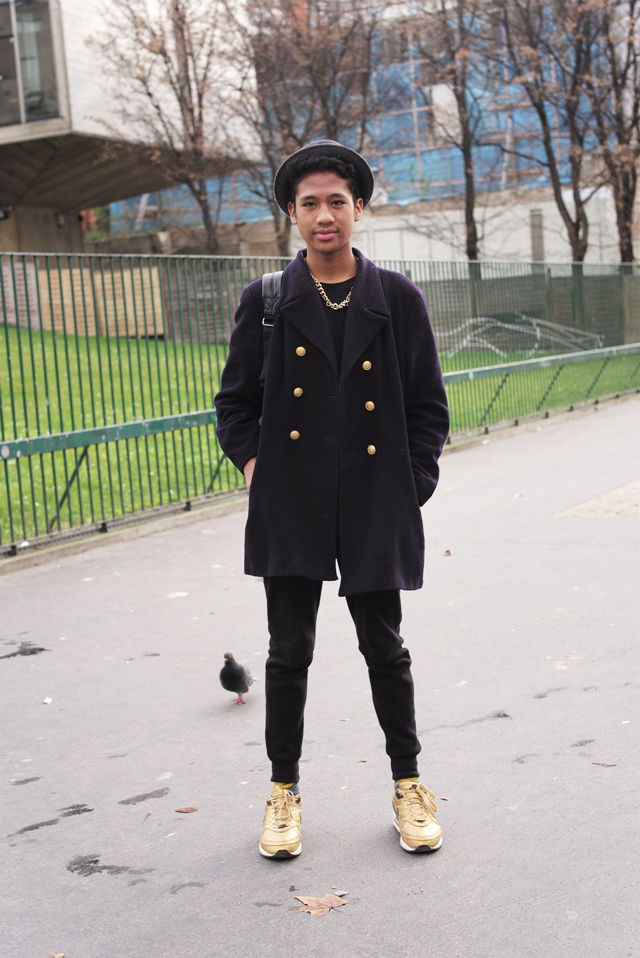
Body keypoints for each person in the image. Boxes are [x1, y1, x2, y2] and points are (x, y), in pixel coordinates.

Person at [215, 140, 449, 858]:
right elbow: (235, 404)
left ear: (359, 209)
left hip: (376, 499)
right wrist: (256, 468)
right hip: (292, 501)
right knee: (288, 653)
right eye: (310, 203)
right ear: (292, 212)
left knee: (386, 649)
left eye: (337, 202)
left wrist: (411, 485)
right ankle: (282, 793)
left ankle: (409, 785)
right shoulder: (267, 300)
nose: (325, 216)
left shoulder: (397, 298)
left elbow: (427, 408)